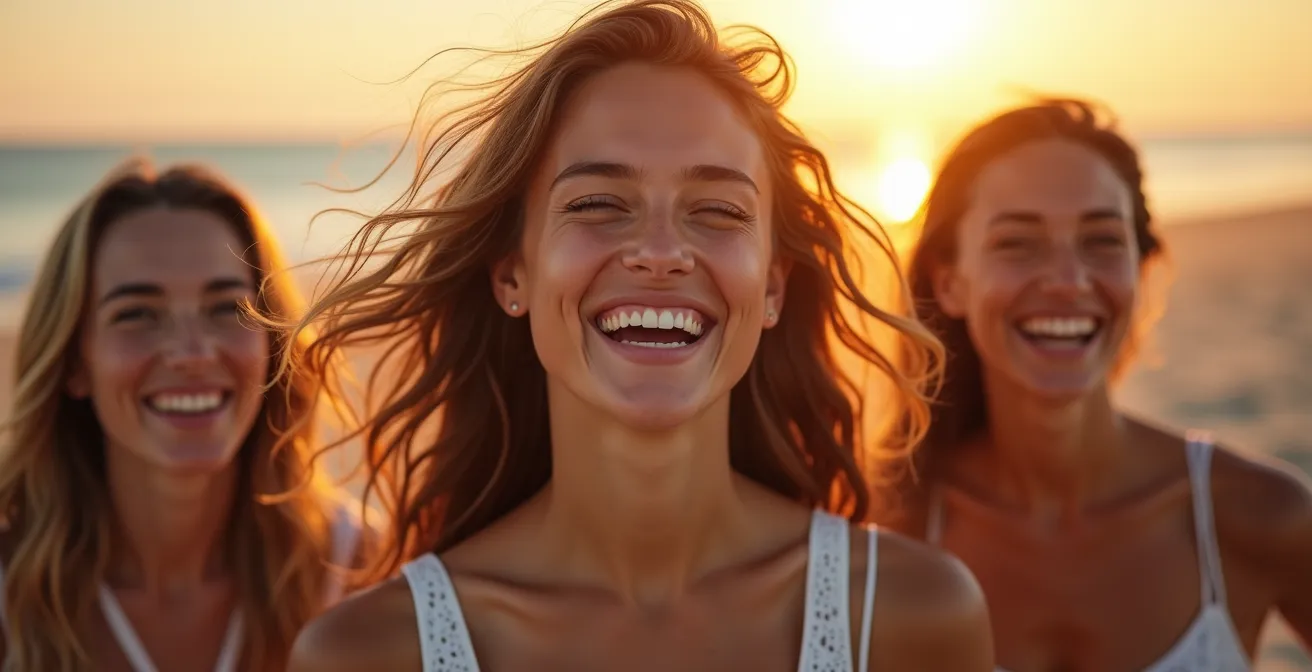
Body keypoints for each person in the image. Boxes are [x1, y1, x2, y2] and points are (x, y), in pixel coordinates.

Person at [283, 1, 994, 670]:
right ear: (513, 276)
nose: (660, 251)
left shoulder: (910, 616)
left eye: (717, 210)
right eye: (598, 203)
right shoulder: (372, 653)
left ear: (772, 287)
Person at [890, 98, 1312, 671]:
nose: (1068, 281)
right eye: (1017, 242)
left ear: (1140, 270)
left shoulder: (1256, 514)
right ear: (950, 282)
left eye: (1102, 240)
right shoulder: (891, 529)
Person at [0, 158, 366, 671]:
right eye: (137, 314)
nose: (192, 353)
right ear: (73, 364)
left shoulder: (357, 572)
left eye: (228, 308)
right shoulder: (9, 594)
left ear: (272, 343)